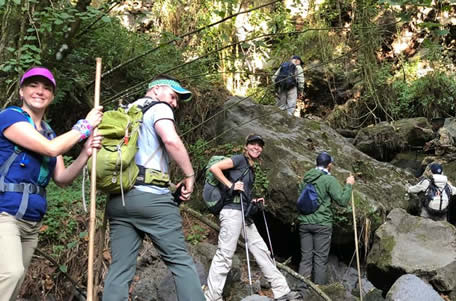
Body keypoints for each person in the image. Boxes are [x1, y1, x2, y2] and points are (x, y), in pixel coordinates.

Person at [0, 67, 103, 301]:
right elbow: (52, 149)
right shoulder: (10, 117)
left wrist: (85, 153)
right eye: (33, 85)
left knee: (14, 283)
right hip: (4, 212)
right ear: (21, 91)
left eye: (46, 88)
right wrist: (85, 126)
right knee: (11, 274)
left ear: (53, 97)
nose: (40, 91)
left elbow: (62, 179)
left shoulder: (49, 133)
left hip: (32, 221)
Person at [102, 75, 204, 300]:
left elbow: (138, 160)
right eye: (173, 96)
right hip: (151, 201)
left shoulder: (125, 112)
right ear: (156, 89)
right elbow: (170, 140)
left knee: (119, 270)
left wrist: (169, 184)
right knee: (180, 262)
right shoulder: (159, 108)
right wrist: (189, 174)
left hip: (119, 199)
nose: (174, 103)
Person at [204, 134, 302, 301]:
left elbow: (243, 193)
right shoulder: (239, 160)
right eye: (253, 144)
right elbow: (215, 168)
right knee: (225, 255)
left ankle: (282, 290)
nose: (256, 147)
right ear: (246, 146)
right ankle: (211, 297)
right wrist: (231, 185)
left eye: (259, 145)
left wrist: (253, 200)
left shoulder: (250, 168)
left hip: (243, 214)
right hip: (231, 213)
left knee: (262, 251)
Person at [297, 152, 355, 285]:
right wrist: (349, 184)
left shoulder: (306, 178)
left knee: (306, 258)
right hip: (322, 225)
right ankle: (318, 292)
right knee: (320, 260)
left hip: (305, 224)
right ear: (329, 165)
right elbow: (342, 200)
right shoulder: (329, 180)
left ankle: (301, 291)